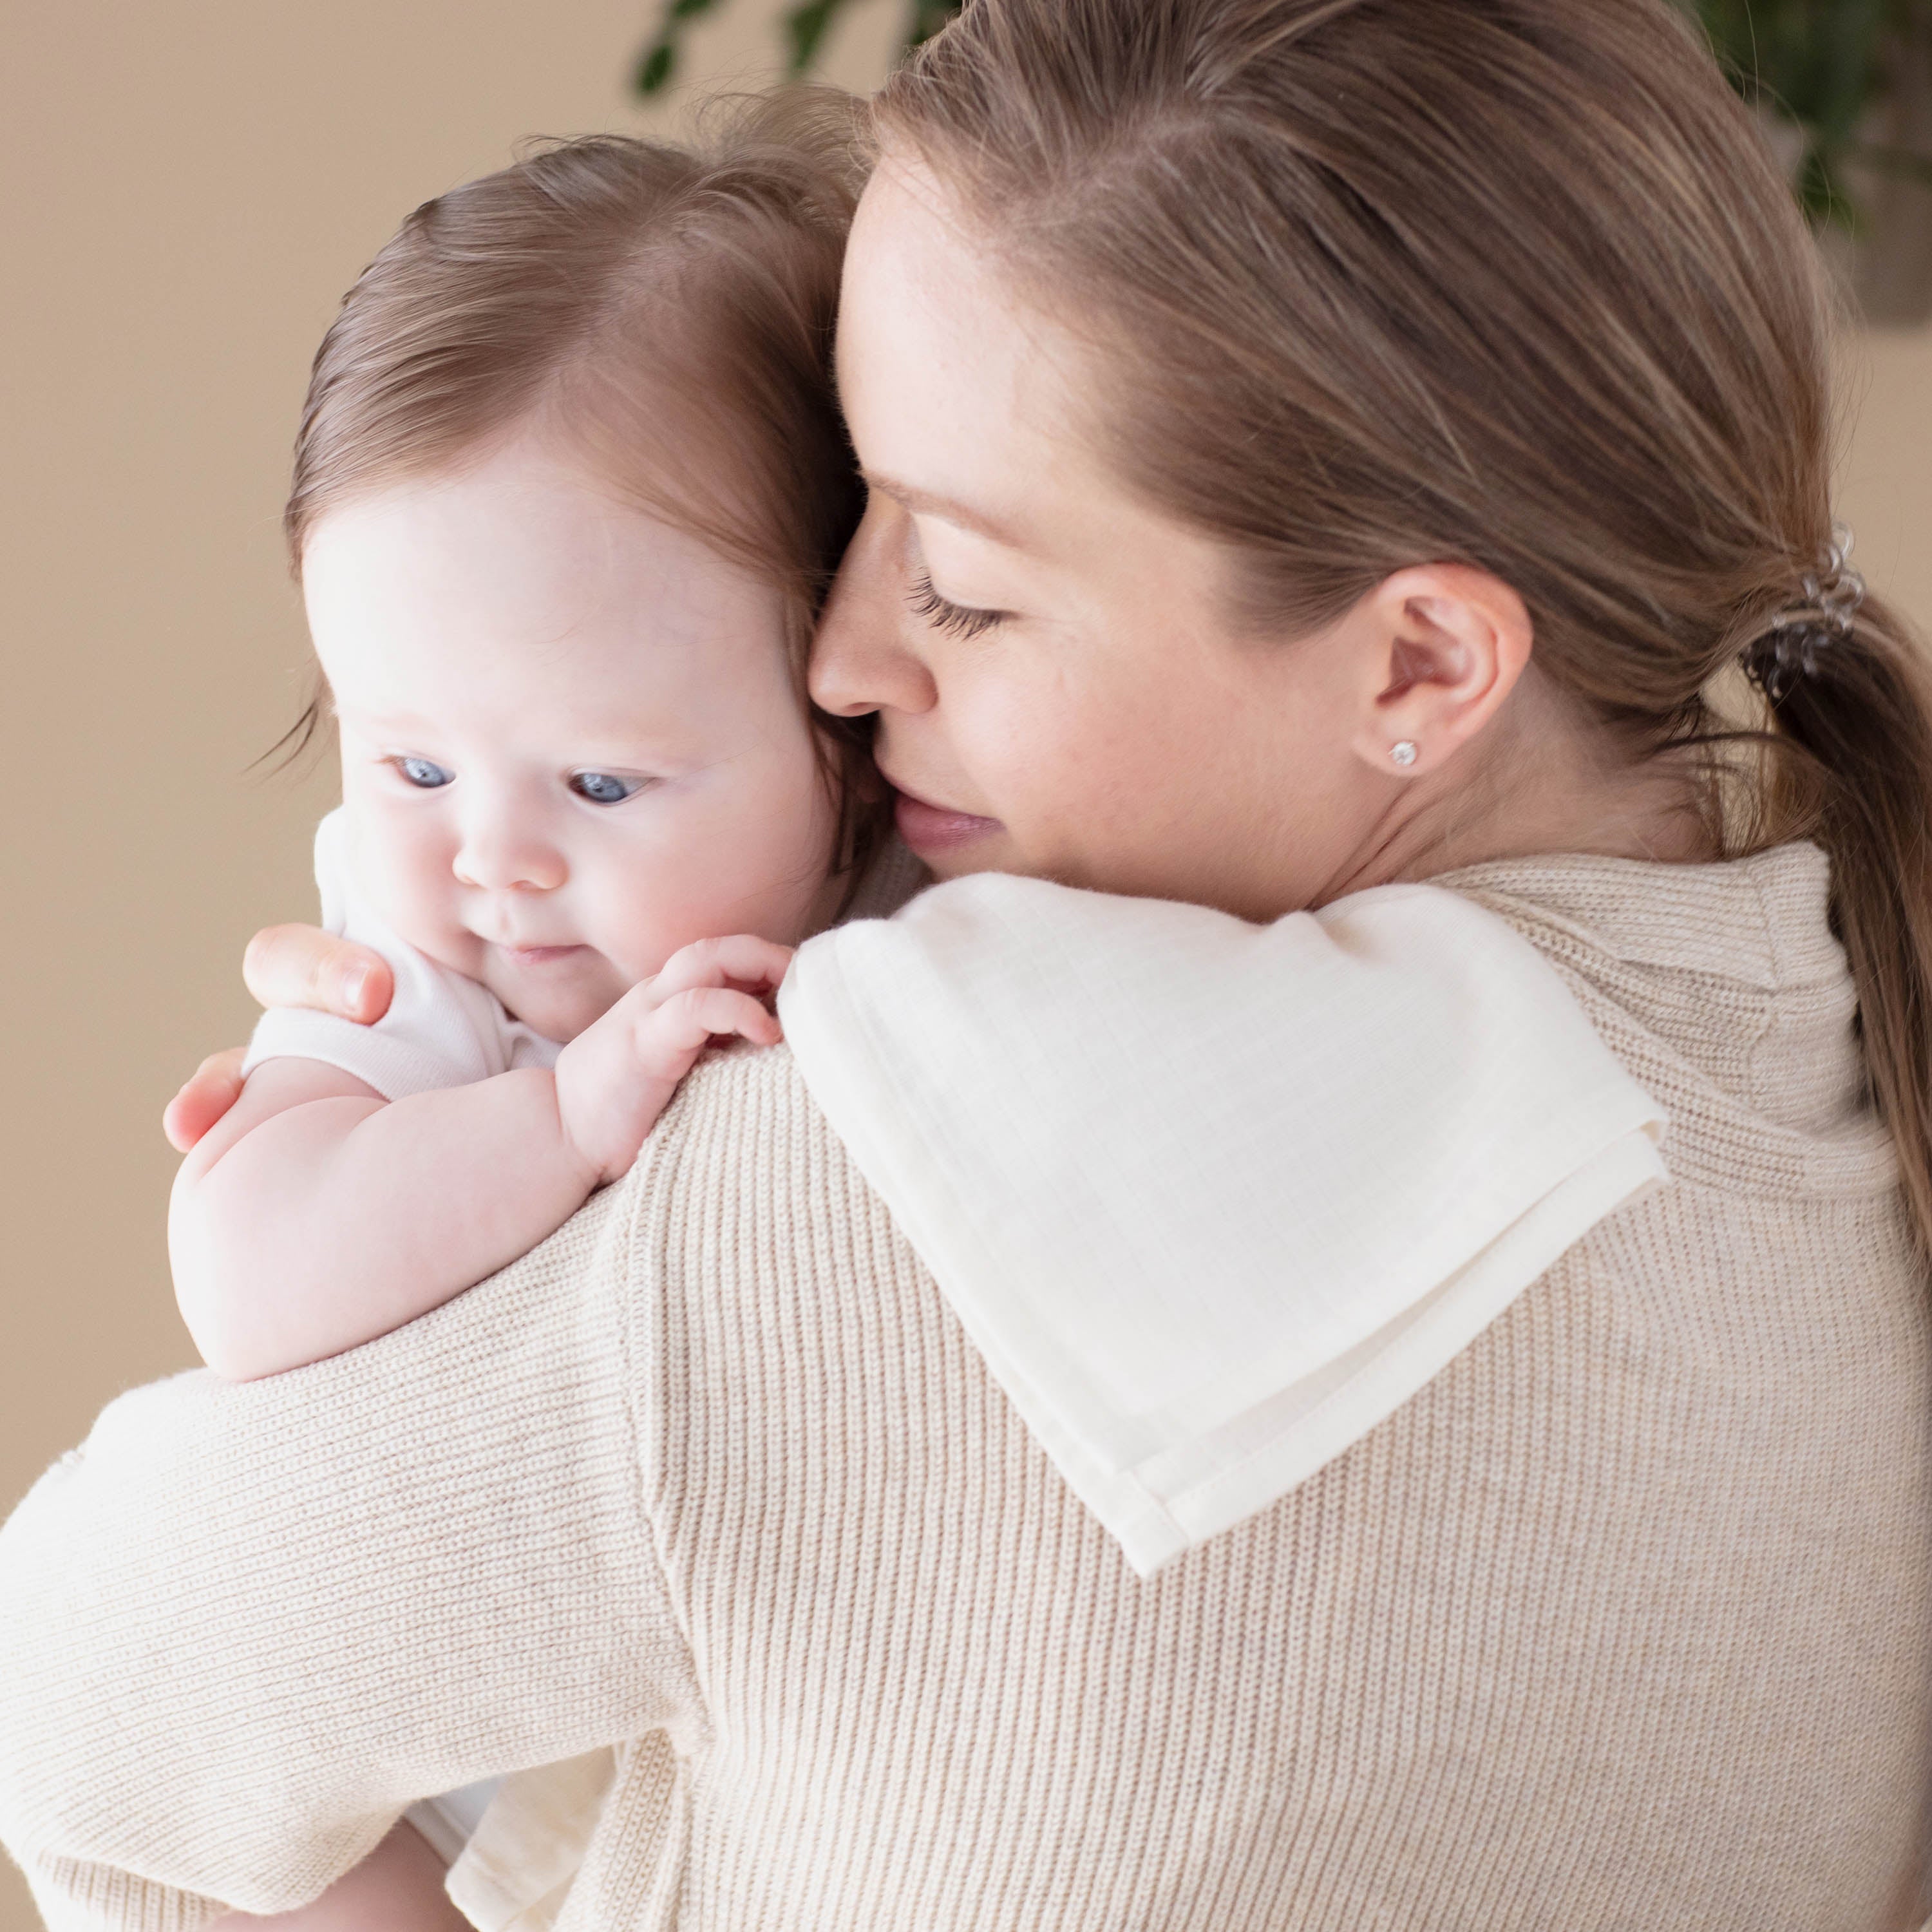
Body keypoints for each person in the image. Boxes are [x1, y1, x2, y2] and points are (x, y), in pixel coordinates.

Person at [5, 1, 1931, 1926]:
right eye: (849, 511)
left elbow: (73, 1703)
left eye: (964, 583)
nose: (838, 668)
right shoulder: (1864, 1116)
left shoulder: (898, 1194)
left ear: (1421, 665)